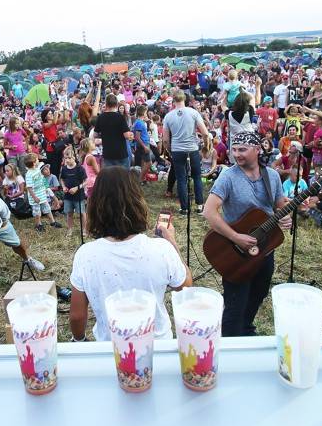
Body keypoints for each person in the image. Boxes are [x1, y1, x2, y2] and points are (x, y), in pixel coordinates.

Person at [69, 167, 191, 341]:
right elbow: (185, 286)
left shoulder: (86, 255)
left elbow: (76, 316)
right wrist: (172, 242)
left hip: (112, 349)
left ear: (95, 204)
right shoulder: (162, 249)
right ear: (138, 201)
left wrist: (79, 339)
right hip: (157, 346)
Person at [202, 130, 291, 337]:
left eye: (242, 149)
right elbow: (209, 211)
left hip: (265, 247)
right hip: (235, 251)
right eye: (234, 149)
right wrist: (235, 237)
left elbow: (279, 206)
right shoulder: (228, 177)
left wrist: (285, 216)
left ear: (257, 150)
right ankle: (230, 338)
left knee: (258, 293)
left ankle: (246, 327)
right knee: (236, 301)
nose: (236, 154)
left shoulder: (272, 176)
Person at [163, 90, 210, 215]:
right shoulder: (193, 112)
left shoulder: (168, 116)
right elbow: (205, 133)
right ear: (185, 99)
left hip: (177, 150)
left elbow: (166, 140)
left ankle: (184, 208)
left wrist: (170, 151)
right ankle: (200, 205)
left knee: (181, 179)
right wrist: (205, 146)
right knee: (197, 177)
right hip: (192, 148)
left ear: (174, 100)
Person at [92, 92, 133, 168]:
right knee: (123, 177)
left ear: (106, 104)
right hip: (120, 153)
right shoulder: (120, 117)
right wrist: (131, 134)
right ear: (117, 105)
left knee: (110, 178)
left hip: (108, 153)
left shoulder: (101, 117)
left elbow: (95, 135)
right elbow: (127, 136)